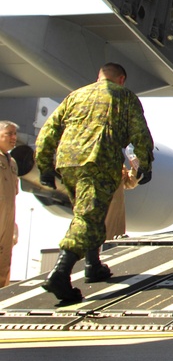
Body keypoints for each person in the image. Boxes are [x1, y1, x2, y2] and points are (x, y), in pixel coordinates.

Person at [34, 63, 155, 304]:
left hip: (68, 162)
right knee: (89, 217)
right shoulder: (125, 96)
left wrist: (45, 164)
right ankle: (60, 273)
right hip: (98, 160)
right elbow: (140, 134)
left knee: (88, 213)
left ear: (98, 77)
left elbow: (48, 130)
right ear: (121, 79)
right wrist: (145, 164)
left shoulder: (75, 95)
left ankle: (93, 264)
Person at [0, 121, 19, 287]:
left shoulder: (12, 162)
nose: (14, 138)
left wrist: (13, 225)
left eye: (15, 134)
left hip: (7, 220)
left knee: (4, 261)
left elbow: (13, 195)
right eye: (9, 134)